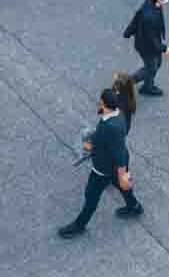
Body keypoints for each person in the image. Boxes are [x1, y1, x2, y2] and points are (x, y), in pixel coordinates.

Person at [57, 89, 141, 237]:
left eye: (101, 102)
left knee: (91, 195)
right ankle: (134, 206)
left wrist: (90, 146)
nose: (99, 103)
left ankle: (79, 225)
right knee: (122, 185)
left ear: (104, 104)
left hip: (105, 167)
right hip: (115, 163)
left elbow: (118, 150)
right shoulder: (118, 114)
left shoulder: (110, 126)